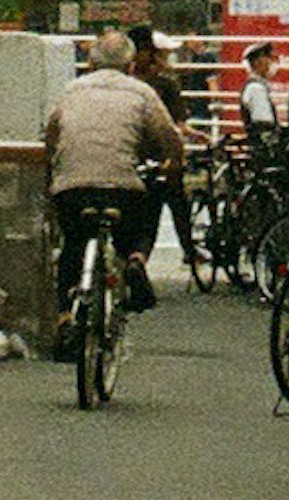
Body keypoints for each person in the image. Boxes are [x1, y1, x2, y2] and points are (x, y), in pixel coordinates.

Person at [44, 32, 184, 318]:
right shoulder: (142, 92)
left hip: (72, 188)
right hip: (123, 188)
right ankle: (134, 259)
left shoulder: (71, 90)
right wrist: (173, 164)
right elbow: (169, 136)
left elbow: (50, 135)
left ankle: (63, 318)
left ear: (90, 64)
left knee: (73, 243)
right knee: (140, 226)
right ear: (130, 65)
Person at [130, 28, 204, 281]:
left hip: (131, 157)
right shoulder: (164, 85)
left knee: (144, 212)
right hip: (164, 157)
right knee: (176, 204)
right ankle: (188, 250)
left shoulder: (124, 83)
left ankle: (138, 256)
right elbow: (177, 126)